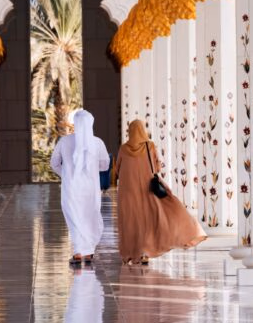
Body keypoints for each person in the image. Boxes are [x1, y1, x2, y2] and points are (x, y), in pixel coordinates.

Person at [116, 119, 206, 264]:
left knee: (131, 221)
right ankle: (145, 252)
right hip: (147, 189)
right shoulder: (149, 146)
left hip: (128, 192)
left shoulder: (123, 149)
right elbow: (157, 167)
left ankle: (131, 254)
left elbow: (118, 169)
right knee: (148, 219)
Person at [50, 110, 110, 265]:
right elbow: (104, 166)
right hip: (90, 188)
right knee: (89, 216)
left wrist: (66, 174)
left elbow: (54, 163)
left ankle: (79, 252)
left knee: (75, 218)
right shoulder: (97, 143)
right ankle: (88, 252)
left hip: (71, 188)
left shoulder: (64, 141)